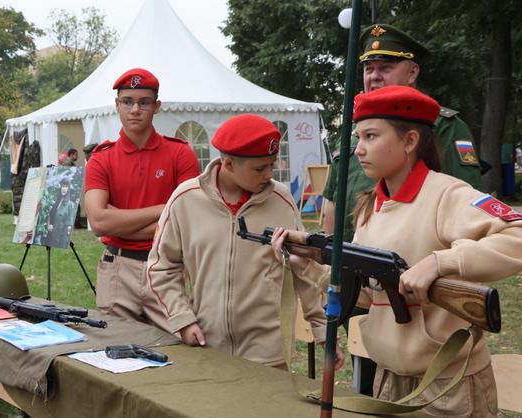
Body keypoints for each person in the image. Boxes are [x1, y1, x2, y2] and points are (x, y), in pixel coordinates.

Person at [275, 85, 522, 417]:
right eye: (358, 138)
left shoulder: (446, 194)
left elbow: (517, 232)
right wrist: (306, 262)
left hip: (448, 383)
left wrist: (441, 262)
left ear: (409, 141)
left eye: (371, 136)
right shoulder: (371, 206)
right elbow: (366, 295)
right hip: (389, 380)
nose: (359, 150)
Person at [321, 23, 486, 396]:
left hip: (422, 299)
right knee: (371, 382)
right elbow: (333, 204)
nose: (374, 75)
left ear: (412, 72)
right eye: (368, 67)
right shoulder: (351, 131)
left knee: (425, 379)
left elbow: (469, 218)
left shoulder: (443, 128)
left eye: (386, 66)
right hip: (359, 283)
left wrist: (434, 269)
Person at [146, 114, 343, 369]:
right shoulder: (184, 199)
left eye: (272, 164)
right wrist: (183, 319)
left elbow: (302, 268)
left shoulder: (281, 201)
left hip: (269, 355)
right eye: (260, 168)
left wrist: (321, 329)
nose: (270, 174)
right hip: (207, 348)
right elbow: (162, 267)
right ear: (228, 164)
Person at [84, 68, 199, 329]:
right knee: (116, 351)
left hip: (166, 267)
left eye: (144, 102)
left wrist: (120, 221)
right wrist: (166, 208)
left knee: (178, 346)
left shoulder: (180, 154)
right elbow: (99, 222)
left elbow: (188, 222)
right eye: (127, 101)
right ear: (117, 105)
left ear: (156, 106)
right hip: (117, 270)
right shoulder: (102, 158)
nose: (135, 109)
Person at [44, 178, 78, 248]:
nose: (64, 188)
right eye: (63, 186)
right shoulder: (56, 202)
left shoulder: (70, 205)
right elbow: (50, 215)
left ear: (68, 189)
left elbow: (68, 227)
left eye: (66, 186)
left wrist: (63, 245)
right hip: (50, 237)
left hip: (59, 241)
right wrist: (48, 225)